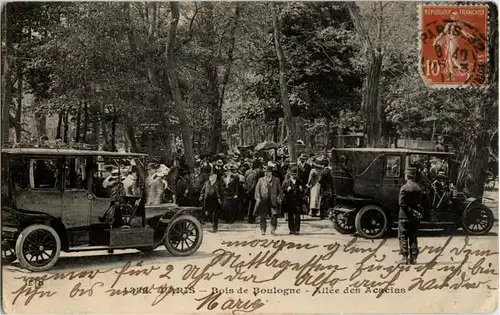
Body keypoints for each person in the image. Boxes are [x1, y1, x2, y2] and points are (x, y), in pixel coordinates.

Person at [398, 167, 424, 265]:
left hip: (404, 216)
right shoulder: (419, 188)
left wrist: (410, 211)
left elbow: (401, 203)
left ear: (407, 176)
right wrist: (416, 212)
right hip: (415, 218)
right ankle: (413, 258)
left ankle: (404, 258)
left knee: (403, 236)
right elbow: (422, 202)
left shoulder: (404, 188)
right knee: (413, 236)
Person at [254, 165, 282, 235]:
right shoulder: (260, 180)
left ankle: (273, 229)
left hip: (273, 200)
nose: (266, 173)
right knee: (263, 215)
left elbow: (280, 191)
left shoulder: (276, 180)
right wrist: (258, 198)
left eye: (268, 172)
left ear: (271, 172)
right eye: (265, 172)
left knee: (274, 215)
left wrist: (279, 198)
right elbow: (257, 190)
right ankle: (263, 229)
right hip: (264, 200)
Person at [281, 166, 303, 235]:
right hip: (289, 201)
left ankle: (297, 230)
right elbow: (281, 190)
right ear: (290, 174)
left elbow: (304, 192)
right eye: (292, 174)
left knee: (297, 215)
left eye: (295, 174)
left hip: (297, 200)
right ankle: (291, 229)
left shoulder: (300, 181)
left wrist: (302, 190)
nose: (294, 176)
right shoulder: (286, 182)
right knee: (290, 215)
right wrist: (286, 190)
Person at [245, 159, 264, 224]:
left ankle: (250, 218)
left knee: (251, 205)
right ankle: (252, 219)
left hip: (248, 190)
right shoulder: (258, 173)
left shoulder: (247, 172)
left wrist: (247, 190)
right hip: (254, 191)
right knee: (254, 205)